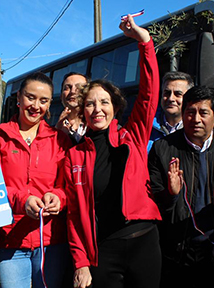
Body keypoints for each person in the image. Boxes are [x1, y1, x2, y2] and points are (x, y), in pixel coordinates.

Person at [65, 15, 162, 288]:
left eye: (104, 102)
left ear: (115, 107)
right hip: (104, 248)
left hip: (144, 240)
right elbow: (74, 213)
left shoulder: (133, 136)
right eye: (90, 104)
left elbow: (148, 94)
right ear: (83, 111)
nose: (97, 109)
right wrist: (80, 261)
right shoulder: (75, 155)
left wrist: (144, 42)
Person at [148, 86, 214, 287]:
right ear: (183, 114)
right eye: (190, 112)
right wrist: (171, 194)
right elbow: (153, 202)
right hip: (175, 251)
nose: (196, 119)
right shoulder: (163, 148)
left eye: (204, 113)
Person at [0, 72, 72, 288]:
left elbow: (68, 186)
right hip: (9, 241)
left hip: (51, 241)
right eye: (30, 97)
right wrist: (21, 200)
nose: (36, 106)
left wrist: (59, 198)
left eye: (43, 101)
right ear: (18, 98)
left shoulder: (60, 140)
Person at [148, 71, 194, 151]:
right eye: (167, 93)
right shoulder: (146, 128)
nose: (171, 98)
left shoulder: (195, 129)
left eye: (178, 94)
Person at [56, 72, 89, 143]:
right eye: (67, 88)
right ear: (61, 96)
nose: (73, 91)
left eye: (79, 87)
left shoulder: (98, 128)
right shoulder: (51, 132)